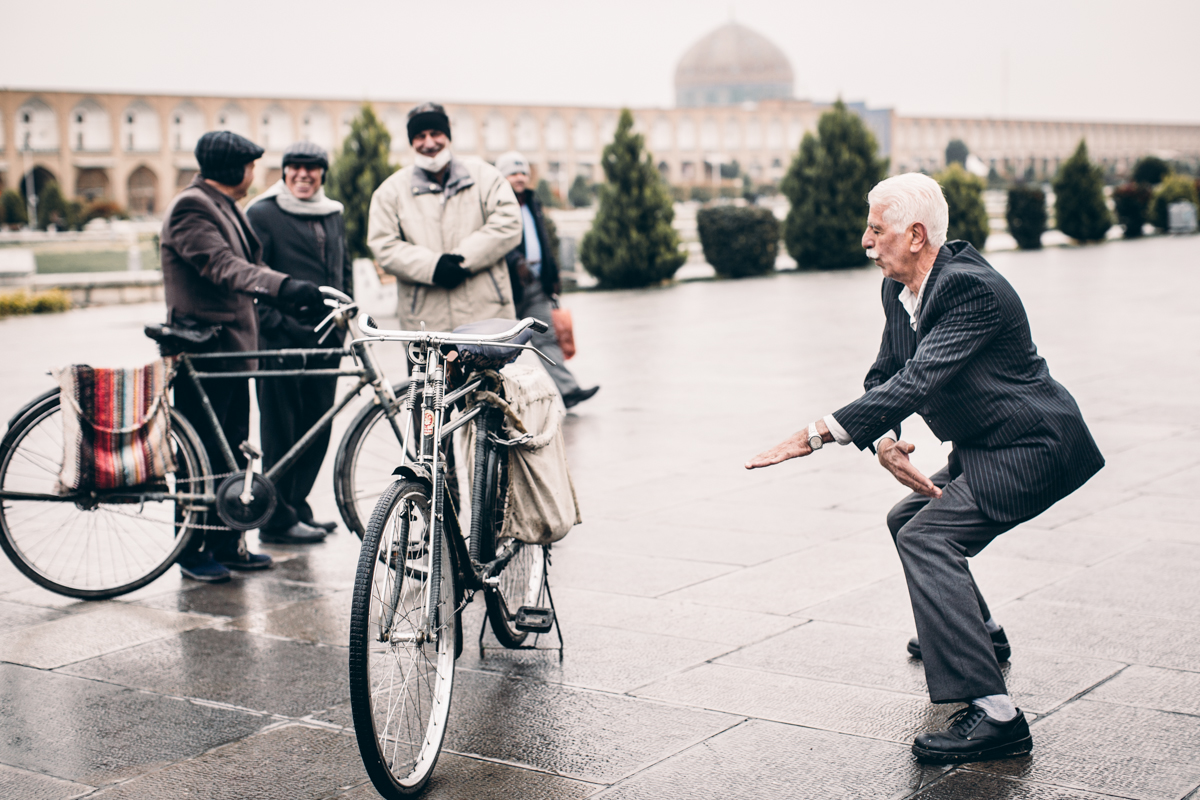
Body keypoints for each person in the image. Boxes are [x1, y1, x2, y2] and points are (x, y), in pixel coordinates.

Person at [745, 173, 1104, 765]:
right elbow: (887, 372)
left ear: (915, 235)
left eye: (876, 228)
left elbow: (921, 379)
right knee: (905, 517)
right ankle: (978, 635)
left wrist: (812, 437)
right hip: (989, 441)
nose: (866, 240)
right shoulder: (900, 288)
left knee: (928, 536)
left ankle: (996, 715)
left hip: (1033, 445)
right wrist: (885, 441)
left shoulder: (970, 289)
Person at [160, 130, 327, 582]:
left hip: (231, 351)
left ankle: (225, 542)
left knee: (230, 452)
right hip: (204, 350)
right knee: (201, 457)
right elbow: (222, 266)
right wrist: (284, 286)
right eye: (251, 165)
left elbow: (243, 264)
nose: (255, 173)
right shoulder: (191, 207)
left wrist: (290, 294)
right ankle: (191, 551)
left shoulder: (222, 205)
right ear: (235, 169)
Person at [245, 141, 352, 544]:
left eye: (313, 168)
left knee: (316, 428)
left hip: (326, 339)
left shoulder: (333, 212)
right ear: (284, 172)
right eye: (296, 168)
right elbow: (253, 276)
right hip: (280, 343)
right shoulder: (262, 213)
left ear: (323, 174)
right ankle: (275, 520)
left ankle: (297, 505)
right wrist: (275, 323)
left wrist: (343, 319)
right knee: (281, 431)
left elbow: (340, 269)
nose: (304, 175)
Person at [367, 103, 522, 333]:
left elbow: (509, 223)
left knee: (490, 371)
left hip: (487, 318)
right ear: (411, 141)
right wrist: (434, 267)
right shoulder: (390, 192)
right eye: (420, 136)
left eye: (436, 133)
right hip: (425, 324)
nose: (429, 143)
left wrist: (461, 259)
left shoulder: (486, 177)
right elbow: (383, 245)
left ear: (448, 135)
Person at [495, 151, 599, 408]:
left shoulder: (533, 202)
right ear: (501, 177)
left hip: (537, 284)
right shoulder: (495, 206)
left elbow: (544, 242)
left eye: (522, 173)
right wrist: (515, 261)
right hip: (508, 289)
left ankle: (569, 390)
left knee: (547, 338)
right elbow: (494, 241)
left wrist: (552, 276)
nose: (519, 178)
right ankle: (496, 396)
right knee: (502, 344)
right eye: (512, 173)